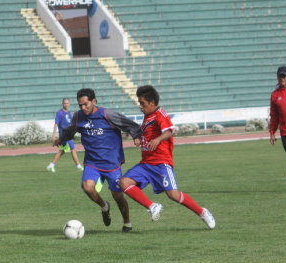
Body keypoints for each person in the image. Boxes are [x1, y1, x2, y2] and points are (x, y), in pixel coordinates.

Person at [119, 85, 216, 229]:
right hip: (146, 164)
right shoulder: (147, 116)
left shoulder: (160, 114)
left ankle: (202, 212)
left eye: (142, 103)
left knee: (173, 194)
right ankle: (152, 206)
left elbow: (169, 131)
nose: (140, 106)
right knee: (124, 182)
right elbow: (148, 133)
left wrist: (158, 139)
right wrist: (139, 137)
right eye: (139, 103)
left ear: (152, 103)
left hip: (161, 163)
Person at [55, 88, 142, 232]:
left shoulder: (108, 115)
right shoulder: (78, 116)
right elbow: (71, 130)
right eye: (80, 105)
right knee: (87, 187)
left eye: (86, 104)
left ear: (94, 101)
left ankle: (127, 223)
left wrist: (136, 136)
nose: (83, 108)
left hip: (112, 164)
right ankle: (104, 206)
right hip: (92, 163)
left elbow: (130, 125)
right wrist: (61, 139)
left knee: (118, 196)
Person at [46, 98, 83, 173]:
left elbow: (71, 124)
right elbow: (56, 123)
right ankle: (79, 166)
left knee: (62, 151)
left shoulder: (69, 113)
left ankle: (51, 165)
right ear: (63, 104)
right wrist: (54, 135)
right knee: (73, 149)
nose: (66, 104)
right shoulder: (60, 113)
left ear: (69, 104)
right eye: (65, 103)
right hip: (64, 135)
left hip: (68, 135)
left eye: (67, 103)